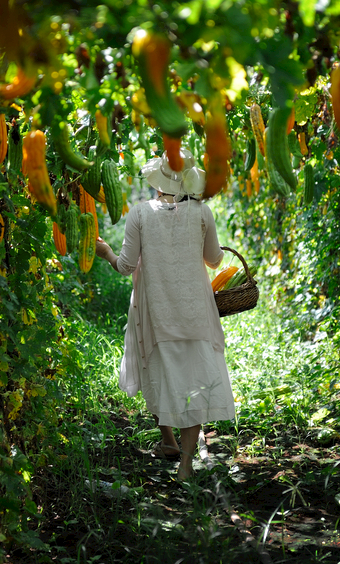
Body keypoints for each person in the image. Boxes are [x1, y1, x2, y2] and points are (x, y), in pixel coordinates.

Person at [94, 148, 236, 480]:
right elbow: (215, 260)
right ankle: (184, 463)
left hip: (156, 310)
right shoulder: (202, 213)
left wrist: (105, 253)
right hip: (194, 310)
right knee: (194, 378)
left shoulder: (140, 214)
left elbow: (126, 266)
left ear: (157, 180)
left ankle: (168, 440)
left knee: (161, 374)